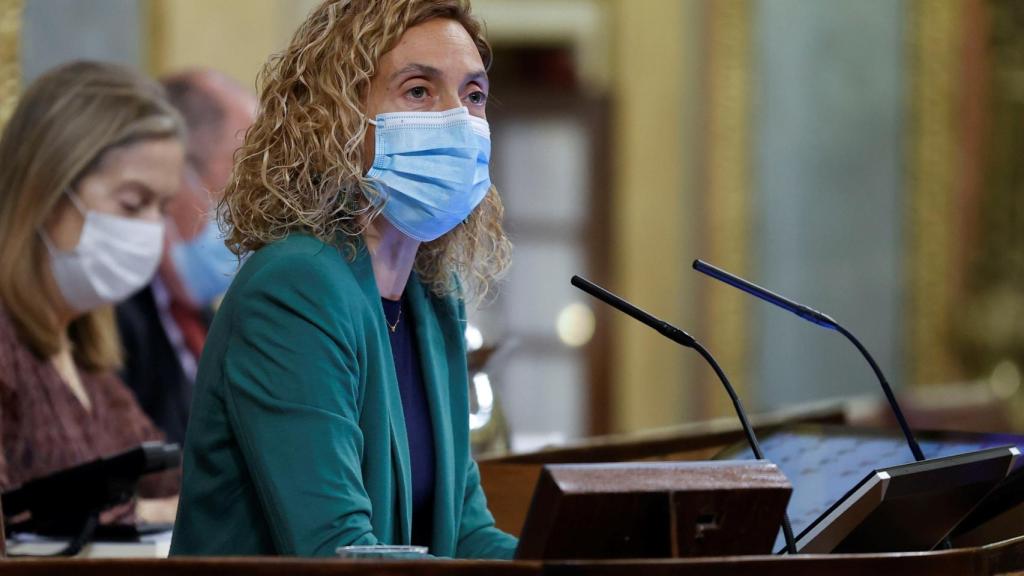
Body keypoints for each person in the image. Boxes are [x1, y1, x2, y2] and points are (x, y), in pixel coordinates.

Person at [171, 0, 516, 558]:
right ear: (335, 119)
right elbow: (336, 552)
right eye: (419, 91)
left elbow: (465, 532)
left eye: (473, 95)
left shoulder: (433, 298)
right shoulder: (295, 286)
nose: (458, 119)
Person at [0, 61, 184, 518]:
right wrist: (147, 514)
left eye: (161, 207)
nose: (151, 229)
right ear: (46, 189)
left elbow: (176, 481)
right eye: (133, 202)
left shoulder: (86, 355)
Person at [116, 70, 257, 446]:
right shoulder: (109, 315)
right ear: (176, 175)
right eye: (237, 175)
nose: (246, 205)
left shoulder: (202, 315)